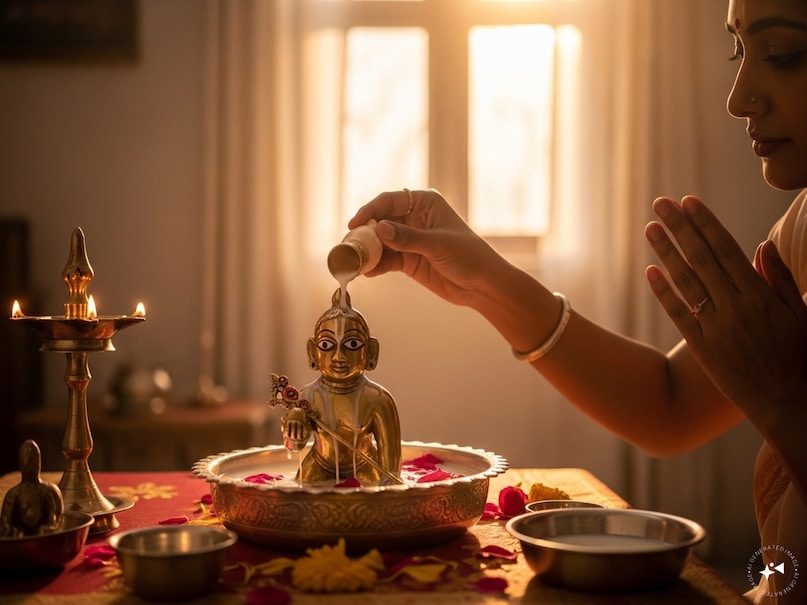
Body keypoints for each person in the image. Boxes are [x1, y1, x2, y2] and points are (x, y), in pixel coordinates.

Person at [348, 1, 806, 601]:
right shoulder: (801, 229)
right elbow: (669, 405)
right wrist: (484, 278)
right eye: (738, 52)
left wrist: (785, 407)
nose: (738, 98)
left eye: (782, 55)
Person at [279, 290, 402, 485]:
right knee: (302, 493)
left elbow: (391, 468)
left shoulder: (378, 399)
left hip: (366, 466)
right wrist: (295, 428)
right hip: (318, 466)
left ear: (371, 352)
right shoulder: (306, 397)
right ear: (312, 352)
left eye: (352, 344)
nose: (338, 357)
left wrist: (390, 483)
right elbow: (294, 446)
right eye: (326, 345)